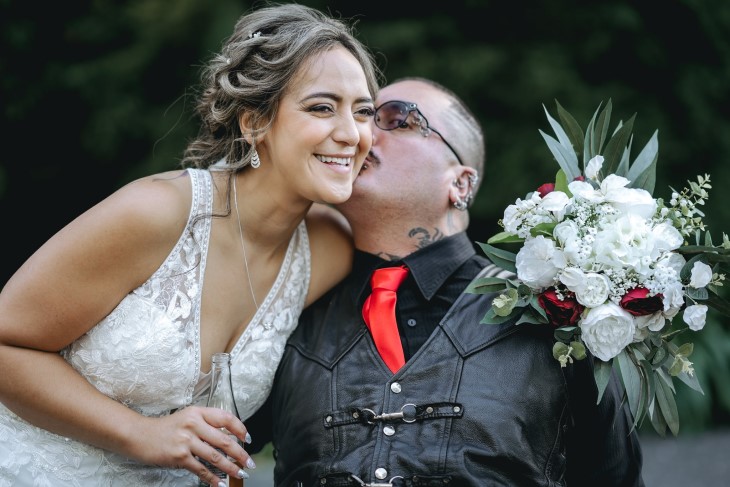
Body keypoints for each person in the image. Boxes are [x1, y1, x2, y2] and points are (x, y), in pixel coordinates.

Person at [0, 4, 380, 486]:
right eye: (321, 107)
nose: (351, 134)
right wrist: (142, 434)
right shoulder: (155, 213)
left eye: (363, 111)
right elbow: (6, 344)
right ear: (254, 122)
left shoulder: (329, 251)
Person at [245, 77, 645, 486]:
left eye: (397, 119)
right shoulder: (285, 313)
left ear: (461, 183)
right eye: (365, 118)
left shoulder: (558, 318)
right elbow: (207, 452)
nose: (361, 136)